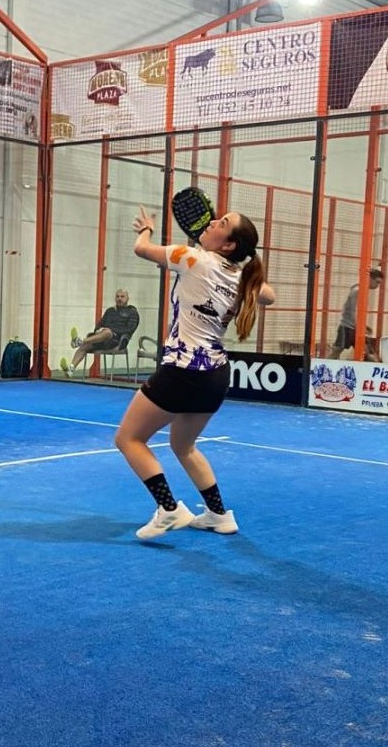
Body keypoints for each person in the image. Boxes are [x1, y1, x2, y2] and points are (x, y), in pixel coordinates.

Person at [114, 204, 275, 540]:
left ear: (229, 244)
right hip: (215, 375)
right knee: (183, 445)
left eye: (222, 223)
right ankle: (218, 515)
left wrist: (146, 229)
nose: (213, 221)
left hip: (182, 370)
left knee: (129, 439)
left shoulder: (192, 258)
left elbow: (141, 249)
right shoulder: (241, 278)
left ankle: (169, 509)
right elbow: (268, 296)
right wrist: (241, 272)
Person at [60, 288, 139, 377]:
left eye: (122, 296)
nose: (119, 299)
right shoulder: (110, 311)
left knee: (107, 332)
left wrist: (111, 330)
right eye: (117, 297)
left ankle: (80, 341)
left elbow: (130, 329)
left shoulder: (132, 313)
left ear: (127, 298)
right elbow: (99, 325)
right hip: (103, 339)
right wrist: (98, 330)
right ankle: (70, 370)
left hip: (118, 341)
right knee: (85, 346)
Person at [328, 269, 384, 361]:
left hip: (354, 327)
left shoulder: (360, 290)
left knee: (367, 353)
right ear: (369, 278)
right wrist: (360, 326)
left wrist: (362, 326)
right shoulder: (358, 290)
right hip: (348, 327)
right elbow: (354, 310)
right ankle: (322, 367)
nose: (377, 286)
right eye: (377, 282)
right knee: (336, 351)